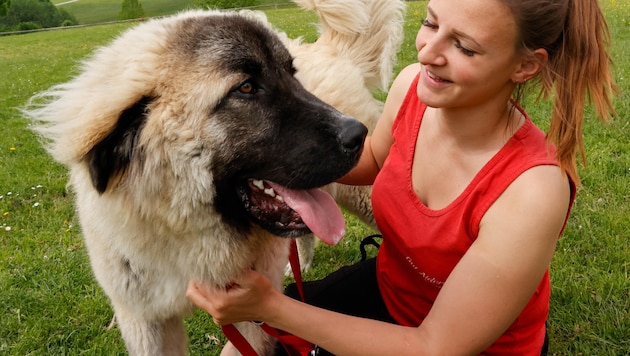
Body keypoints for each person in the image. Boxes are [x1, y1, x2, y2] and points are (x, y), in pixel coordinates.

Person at [187, 0, 617, 354]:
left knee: (265, 321)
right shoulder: (413, 88)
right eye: (431, 22)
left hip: (450, 345)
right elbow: (373, 158)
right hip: (391, 288)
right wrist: (283, 158)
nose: (428, 52)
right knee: (244, 345)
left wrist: (271, 307)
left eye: (464, 47)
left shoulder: (532, 189)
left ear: (524, 66)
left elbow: (435, 347)